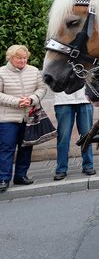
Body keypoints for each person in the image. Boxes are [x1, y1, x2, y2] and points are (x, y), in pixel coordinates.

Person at [0, 45, 47, 191]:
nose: (23, 60)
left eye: (25, 58)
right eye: (19, 58)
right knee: (6, 148)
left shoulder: (33, 71)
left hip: (29, 116)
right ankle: (3, 179)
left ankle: (21, 176)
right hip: (8, 118)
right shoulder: (1, 72)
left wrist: (32, 99)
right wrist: (17, 101)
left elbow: (42, 88)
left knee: (26, 147)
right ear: (10, 58)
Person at [53, 88, 95, 180]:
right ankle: (61, 169)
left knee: (87, 135)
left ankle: (88, 165)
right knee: (63, 137)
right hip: (63, 99)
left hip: (85, 98)